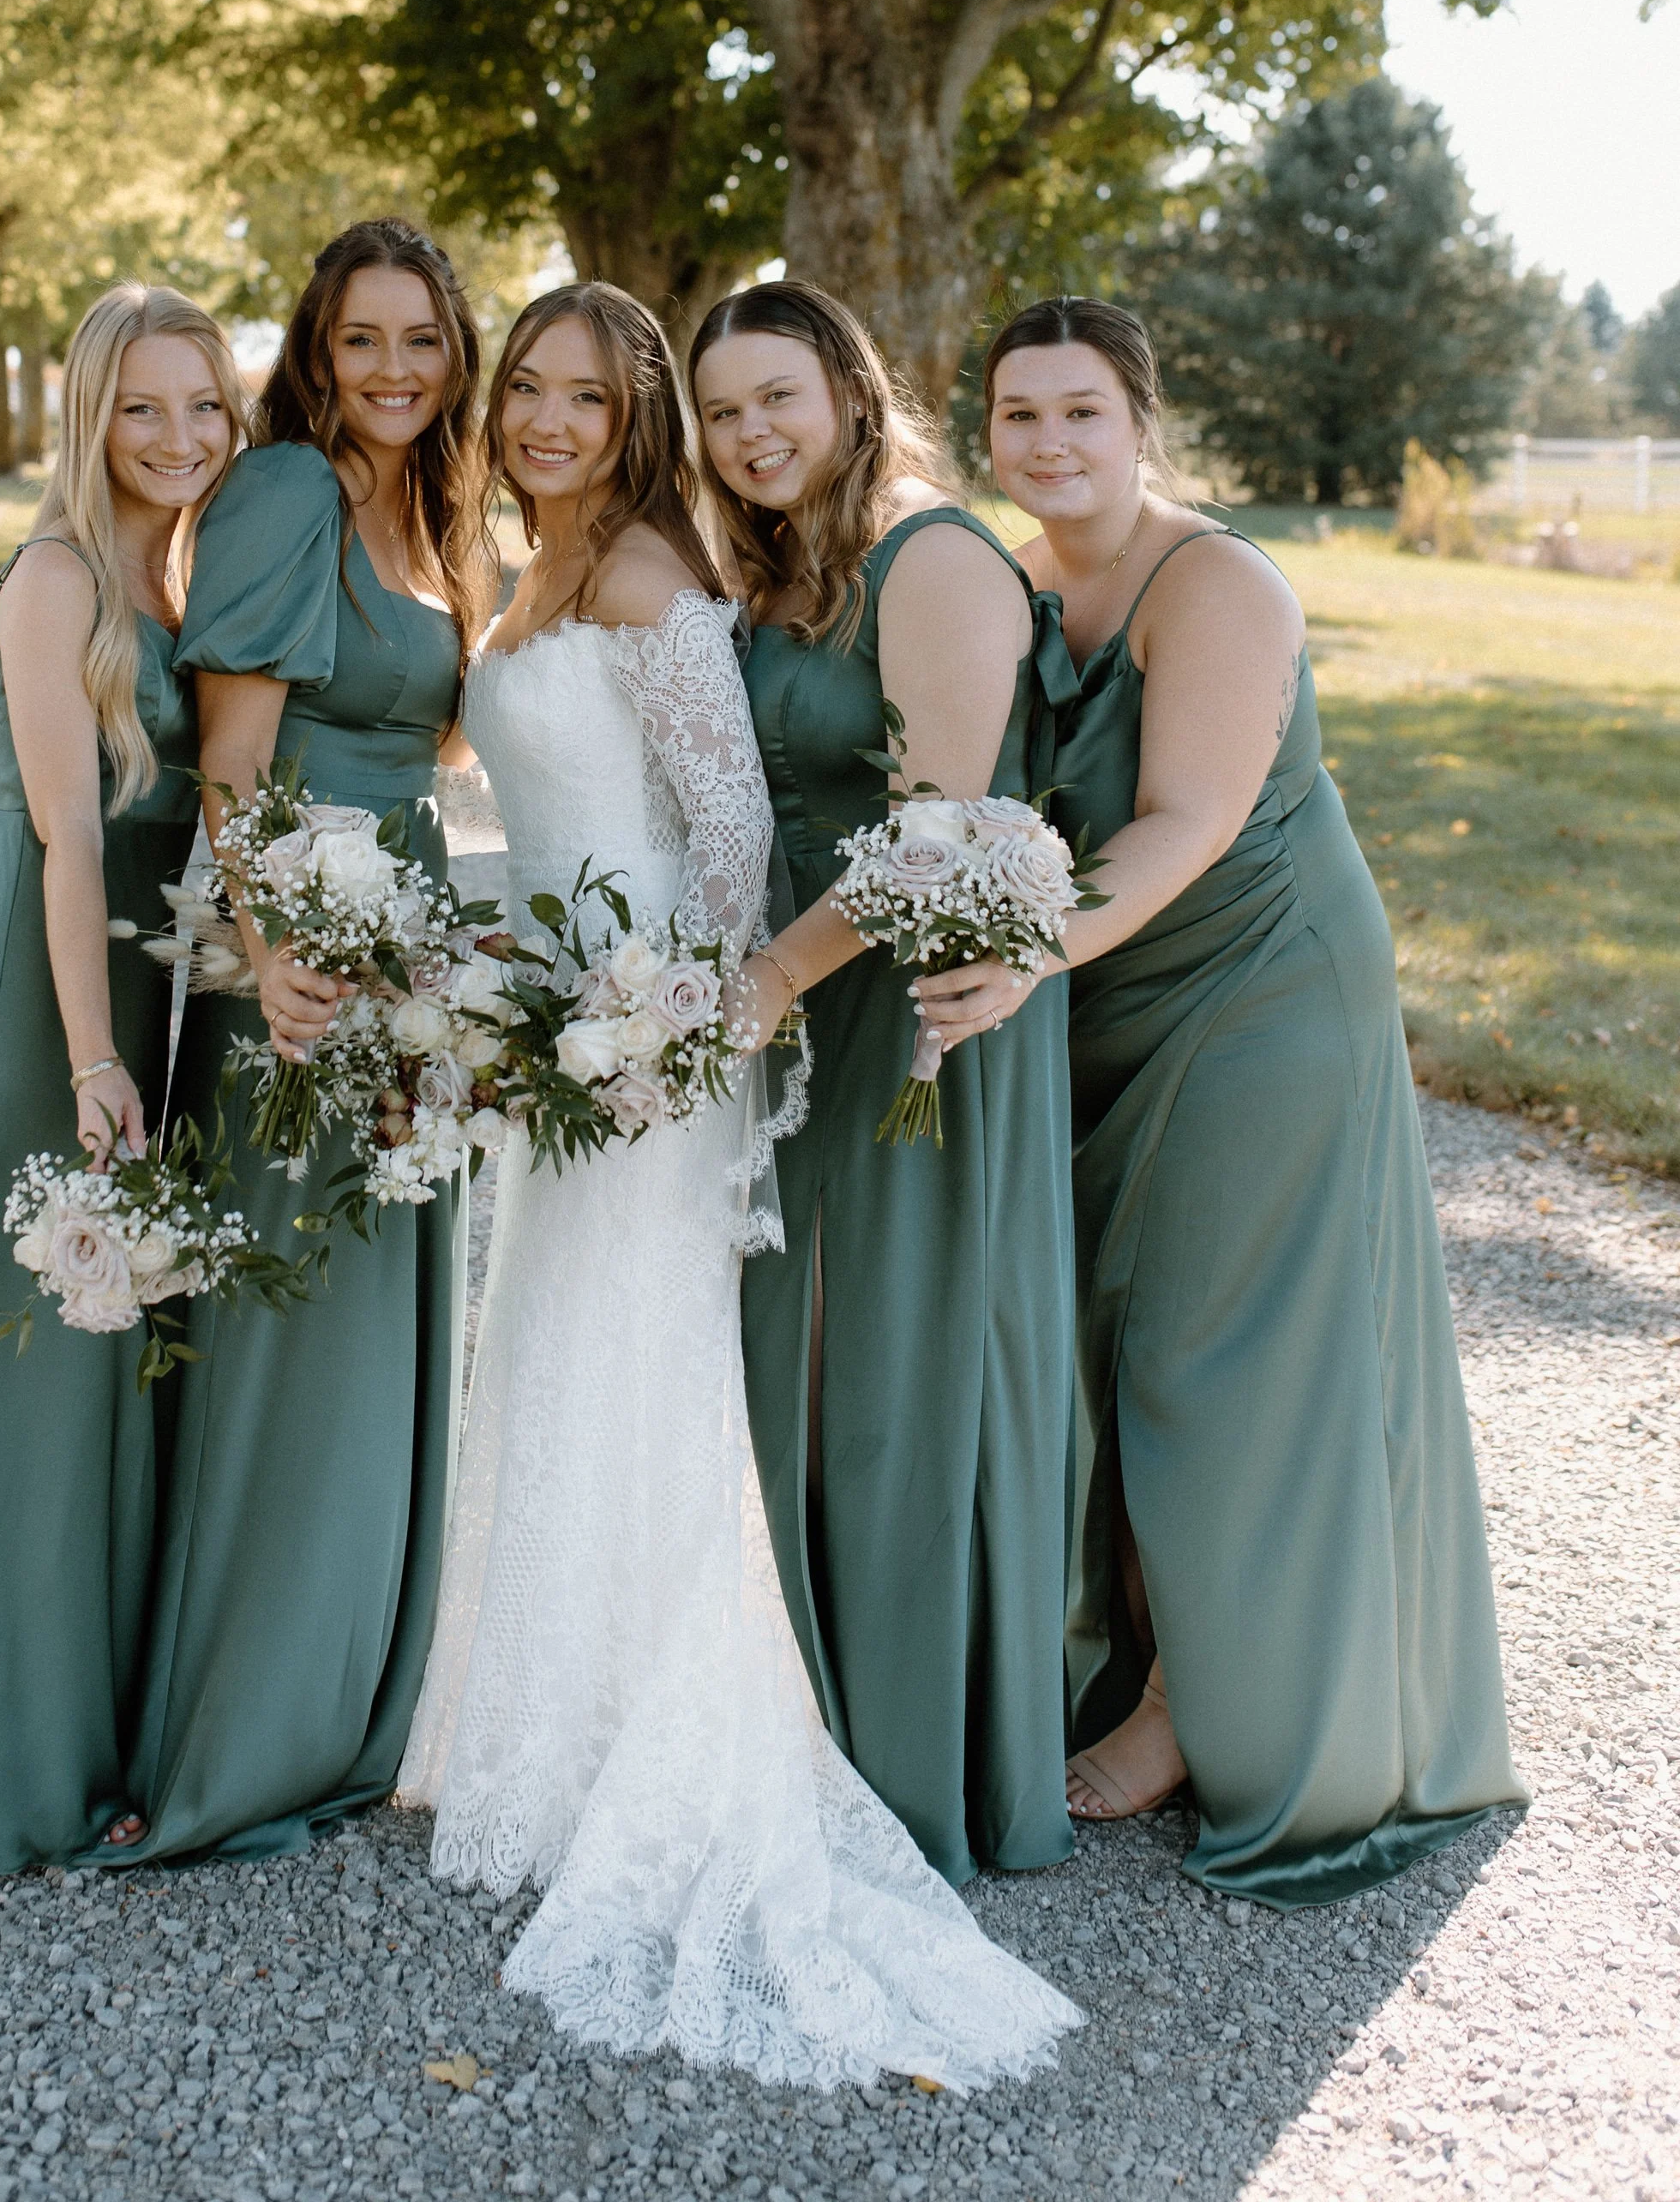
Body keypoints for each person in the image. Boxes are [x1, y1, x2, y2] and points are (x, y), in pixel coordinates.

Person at [399, 280, 1078, 2088]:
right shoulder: (535, 567)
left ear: (639, 429)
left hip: (654, 1042)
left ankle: (661, 1726)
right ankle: (525, 1714)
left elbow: (733, 832)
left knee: (642, 1358)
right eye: (526, 389)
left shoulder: (640, 572)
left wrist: (680, 1025)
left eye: (591, 399)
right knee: (553, 1341)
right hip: (570, 1020)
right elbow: (564, 827)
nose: (550, 420)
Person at [915, 293, 1524, 1905]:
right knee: (1108, 1335)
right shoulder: (1015, 574)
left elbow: (1182, 823)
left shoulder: (1223, 584)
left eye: (1081, 414)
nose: (1047, 444)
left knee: (1207, 1343)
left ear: (1142, 423)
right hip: (1098, 987)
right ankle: (1138, 1652)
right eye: (1019, 416)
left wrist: (1019, 951)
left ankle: (1200, 1705)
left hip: (1262, 990)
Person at [104, 217, 490, 1865]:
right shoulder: (282, 494)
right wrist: (274, 964)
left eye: (421, 339)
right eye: (361, 341)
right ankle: (240, 1731)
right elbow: (238, 769)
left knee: (369, 1317)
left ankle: (351, 1697)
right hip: (299, 947)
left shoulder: (427, 510)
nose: (393, 369)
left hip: (398, 930)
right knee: (291, 1324)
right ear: (315, 354)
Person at [688, 279, 1076, 1885]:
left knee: (901, 1362)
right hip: (802, 1011)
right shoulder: (785, 569)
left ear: (850, 387)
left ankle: (917, 1752)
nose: (750, 433)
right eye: (719, 414)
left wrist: (767, 982)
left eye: (777, 395)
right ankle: (800, 1715)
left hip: (916, 1013)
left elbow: (936, 824)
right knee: (806, 1351)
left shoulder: (936, 558)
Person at [0, 283, 252, 1872]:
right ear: (90, 416)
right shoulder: (55, 579)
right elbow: (69, 835)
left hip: (133, 991)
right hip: (50, 998)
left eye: (203, 408)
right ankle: (20, 1769)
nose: (177, 439)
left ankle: (71, 1713)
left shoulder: (176, 578)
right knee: (50, 1352)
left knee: (116, 1342)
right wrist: (99, 1057)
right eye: (141, 408)